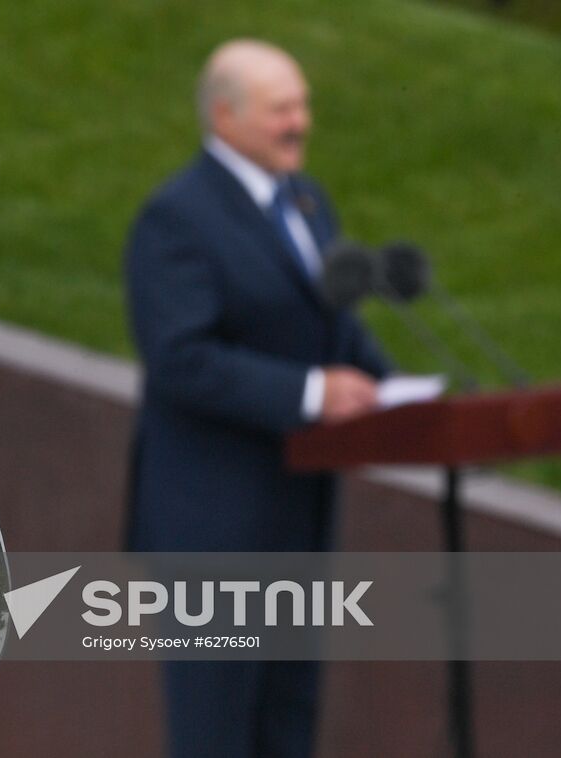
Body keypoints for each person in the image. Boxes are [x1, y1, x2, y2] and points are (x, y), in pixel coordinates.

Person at [123, 40, 391, 757]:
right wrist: (308, 393)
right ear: (225, 115)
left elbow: (333, 326)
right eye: (281, 110)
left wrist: (401, 396)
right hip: (213, 528)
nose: (299, 122)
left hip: (297, 511)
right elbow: (181, 357)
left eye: (302, 106)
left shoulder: (307, 202)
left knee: (286, 724)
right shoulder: (176, 219)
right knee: (217, 733)